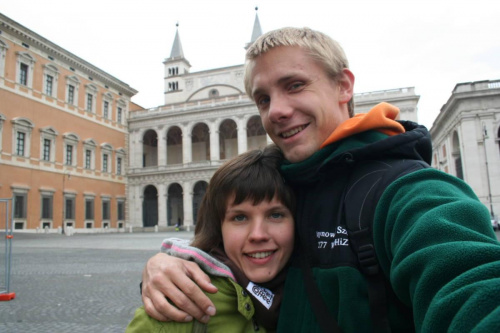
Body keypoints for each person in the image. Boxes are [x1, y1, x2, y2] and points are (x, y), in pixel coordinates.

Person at [141, 27, 500, 332]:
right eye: (263, 99)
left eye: (295, 85)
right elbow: (226, 258)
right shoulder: (279, 183)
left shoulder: (408, 192)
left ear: (344, 86)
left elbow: (469, 284)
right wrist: (171, 266)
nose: (277, 111)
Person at [127, 145, 295, 332]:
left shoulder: (320, 290)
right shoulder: (178, 308)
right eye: (239, 217)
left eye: (276, 215)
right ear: (218, 227)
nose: (258, 235)